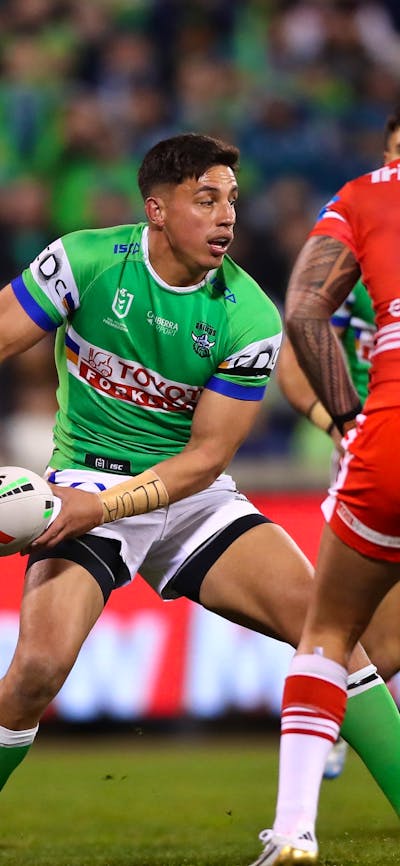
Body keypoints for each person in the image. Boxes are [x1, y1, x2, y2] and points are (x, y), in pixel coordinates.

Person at [0, 133, 399, 860]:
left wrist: (106, 507)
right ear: (156, 209)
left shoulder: (248, 315)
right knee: (35, 671)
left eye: (233, 202)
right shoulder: (83, 262)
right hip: (87, 471)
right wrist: (77, 496)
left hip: (190, 495)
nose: (226, 218)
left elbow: (206, 457)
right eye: (206, 199)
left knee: (331, 634)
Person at [252, 112, 400, 864]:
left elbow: (300, 315)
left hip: (388, 439)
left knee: (333, 631)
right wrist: (336, 419)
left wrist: (350, 422)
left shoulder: (364, 202)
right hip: (370, 432)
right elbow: (293, 355)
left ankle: (295, 828)